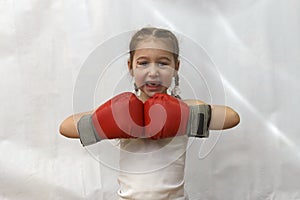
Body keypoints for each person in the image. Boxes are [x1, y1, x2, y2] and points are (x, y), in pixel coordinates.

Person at [59, 27, 240, 200]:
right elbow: (65, 127)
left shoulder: (185, 108)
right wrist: (106, 121)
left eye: (163, 63)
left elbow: (231, 117)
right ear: (131, 66)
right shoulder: (121, 111)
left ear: (176, 67)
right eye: (143, 63)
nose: (153, 72)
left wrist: (184, 117)